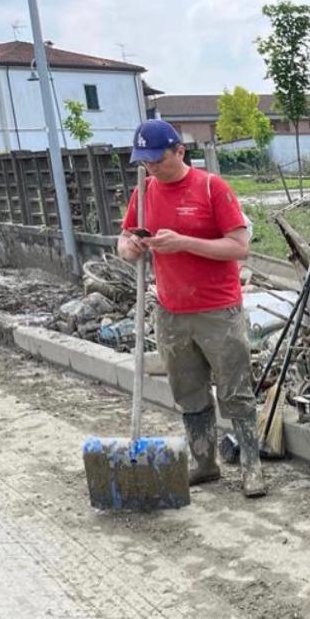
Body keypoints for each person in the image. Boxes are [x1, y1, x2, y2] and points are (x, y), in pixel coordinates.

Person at [117, 119, 265, 498]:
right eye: (145, 161)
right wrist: (129, 248)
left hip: (218, 310)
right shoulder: (143, 192)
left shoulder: (212, 188)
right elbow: (126, 237)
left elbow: (239, 247)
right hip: (171, 310)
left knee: (235, 390)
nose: (151, 167)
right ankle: (204, 463)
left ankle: (251, 467)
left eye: (158, 159)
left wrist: (184, 242)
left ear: (180, 151)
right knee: (189, 392)